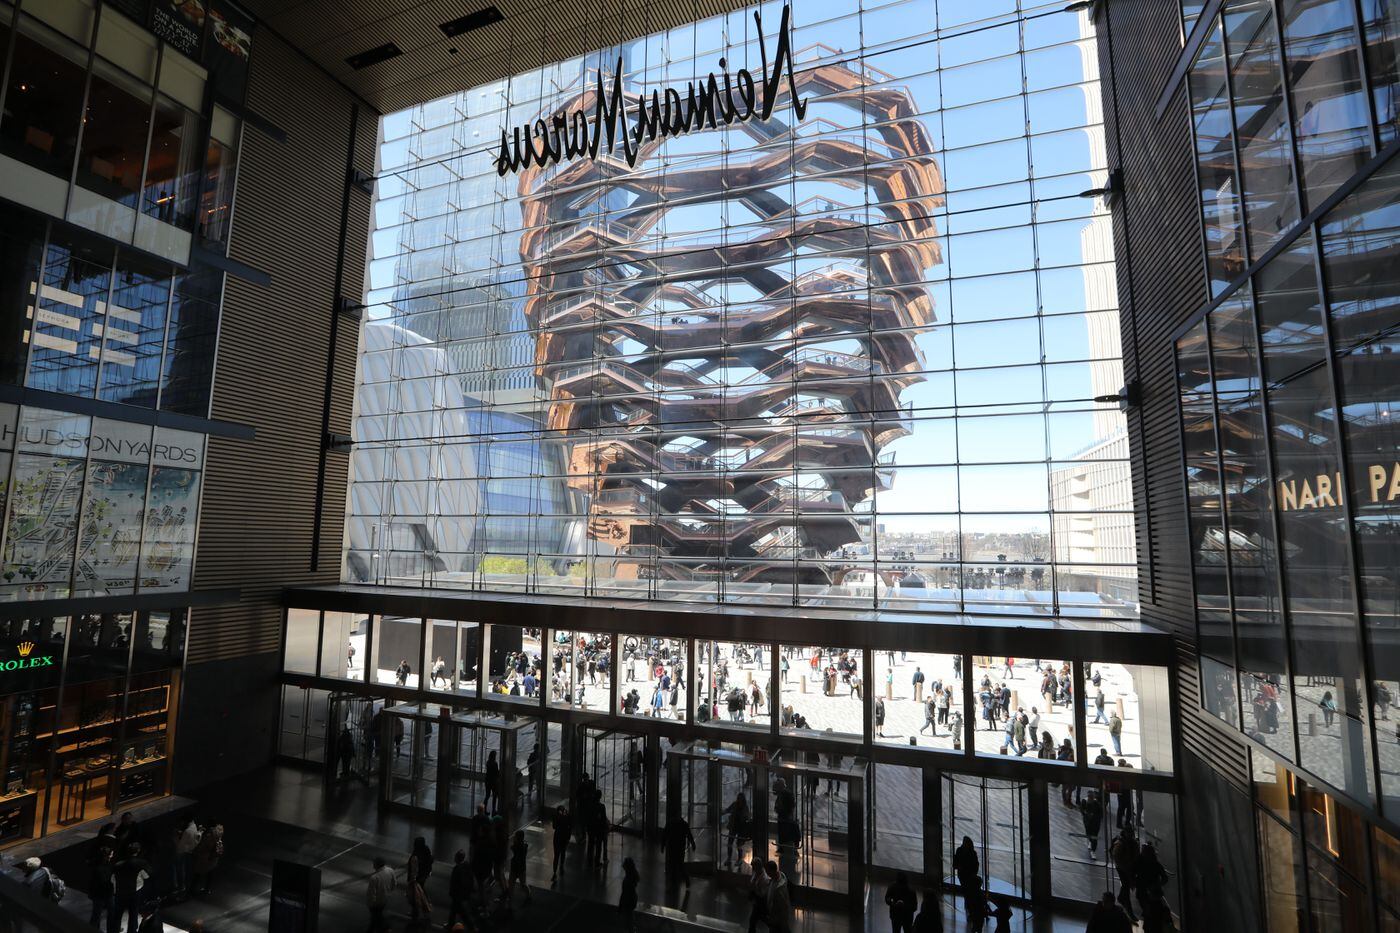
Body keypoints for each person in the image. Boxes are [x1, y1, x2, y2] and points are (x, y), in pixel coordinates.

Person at [1110, 827, 1140, 921]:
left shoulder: (1129, 843)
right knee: (1126, 886)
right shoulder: (1121, 843)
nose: (1131, 835)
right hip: (1123, 868)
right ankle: (1129, 911)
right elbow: (1117, 858)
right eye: (1129, 833)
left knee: (1125, 885)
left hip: (1127, 868)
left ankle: (1121, 899)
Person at [88, 838, 117, 927]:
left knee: (97, 914)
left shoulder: (97, 864)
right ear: (107, 856)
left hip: (98, 894)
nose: (112, 855)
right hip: (105, 893)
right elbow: (105, 880)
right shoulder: (106, 867)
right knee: (109, 912)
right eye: (111, 854)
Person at [662, 812, 698, 885]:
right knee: (680, 864)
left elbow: (665, 835)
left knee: (672, 864)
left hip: (672, 847)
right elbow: (689, 835)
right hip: (680, 847)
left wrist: (662, 845)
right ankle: (685, 879)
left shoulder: (670, 823)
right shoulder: (684, 824)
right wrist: (693, 844)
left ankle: (673, 882)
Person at [366, 856, 396, 932]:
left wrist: (371, 904)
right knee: (376, 916)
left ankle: (386, 928)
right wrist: (389, 892)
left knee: (377, 916)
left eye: (374, 863)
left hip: (377, 902)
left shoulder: (374, 878)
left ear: (376, 865)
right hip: (385, 898)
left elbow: (371, 893)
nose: (373, 865)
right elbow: (394, 884)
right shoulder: (390, 870)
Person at [724, 790, 751, 867]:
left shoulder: (742, 806)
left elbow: (747, 817)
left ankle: (738, 859)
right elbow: (728, 810)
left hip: (740, 828)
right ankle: (730, 858)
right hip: (735, 827)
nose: (739, 800)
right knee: (731, 843)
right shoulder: (737, 805)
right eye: (738, 798)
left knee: (738, 844)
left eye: (740, 798)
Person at [953, 836, 979, 912]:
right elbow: (976, 864)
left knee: (966, 890)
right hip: (968, 874)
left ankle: (968, 905)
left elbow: (956, 861)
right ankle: (969, 905)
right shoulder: (972, 852)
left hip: (964, 874)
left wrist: (958, 866)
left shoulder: (959, 850)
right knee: (968, 890)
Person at [765, 860, 792, 933]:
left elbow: (782, 906)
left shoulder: (779, 889)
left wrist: (776, 919)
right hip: (775, 916)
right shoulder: (779, 877)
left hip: (776, 918)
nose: (767, 874)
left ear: (772, 871)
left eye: (768, 872)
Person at [747, 858, 770, 933]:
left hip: (761, 902)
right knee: (756, 919)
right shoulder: (756, 873)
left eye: (754, 867)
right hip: (757, 901)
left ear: (758, 866)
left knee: (755, 919)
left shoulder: (764, 879)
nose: (753, 869)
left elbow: (762, 894)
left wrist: (755, 889)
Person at [508, 830, 532, 903]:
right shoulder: (524, 845)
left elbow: (511, 851)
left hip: (515, 867)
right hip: (521, 868)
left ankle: (510, 900)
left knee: (511, 884)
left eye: (515, 836)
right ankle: (528, 895)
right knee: (523, 884)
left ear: (517, 838)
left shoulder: (515, 847)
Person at [1080, 791, 1105, 859]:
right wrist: (1086, 814)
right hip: (1087, 822)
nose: (1090, 798)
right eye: (1089, 797)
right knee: (1088, 833)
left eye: (1092, 797)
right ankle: (1090, 841)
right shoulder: (1084, 801)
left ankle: (1093, 851)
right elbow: (1082, 810)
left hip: (1095, 822)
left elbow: (1101, 813)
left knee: (1094, 836)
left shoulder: (1097, 803)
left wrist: (1096, 817)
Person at [551, 804, 572, 881]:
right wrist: (568, 837)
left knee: (556, 855)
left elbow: (554, 826)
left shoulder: (556, 817)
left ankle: (554, 872)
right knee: (563, 852)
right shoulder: (567, 817)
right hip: (564, 837)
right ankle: (561, 865)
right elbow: (569, 828)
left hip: (557, 837)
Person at [619, 857, 640, 931]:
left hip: (628, 901)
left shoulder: (627, 880)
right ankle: (631, 927)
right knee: (630, 915)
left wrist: (620, 905)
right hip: (632, 899)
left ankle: (630, 928)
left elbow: (624, 894)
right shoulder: (633, 877)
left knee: (628, 917)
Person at [484, 750, 500, 814]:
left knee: (487, 796)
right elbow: (497, 773)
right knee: (494, 796)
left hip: (487, 781)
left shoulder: (488, 762)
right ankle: (493, 810)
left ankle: (484, 810)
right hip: (493, 782)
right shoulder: (495, 763)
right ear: (494, 756)